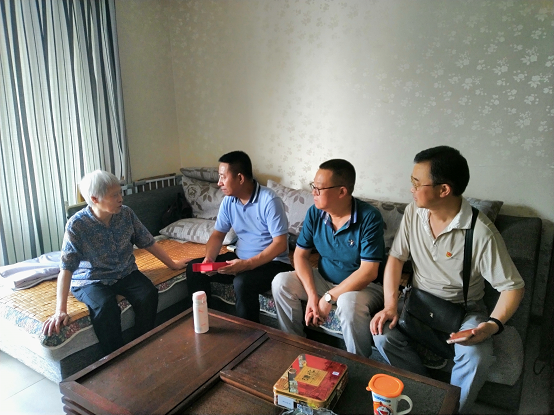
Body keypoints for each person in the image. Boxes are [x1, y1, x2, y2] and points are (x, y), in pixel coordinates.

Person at [370, 146, 525, 414]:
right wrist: (390, 305)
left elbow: (513, 287)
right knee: (382, 333)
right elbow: (396, 258)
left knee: (476, 356)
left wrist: (491, 326)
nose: (411, 189)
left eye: (417, 183)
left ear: (443, 190)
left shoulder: (480, 232)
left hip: (463, 310)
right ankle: (424, 392)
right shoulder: (414, 212)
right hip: (418, 301)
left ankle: (450, 409)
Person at [42, 170, 189, 355]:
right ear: (94, 199)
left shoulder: (126, 214)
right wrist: (60, 310)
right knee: (105, 306)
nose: (121, 198)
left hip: (125, 272)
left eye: (120, 193)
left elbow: (148, 242)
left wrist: (173, 264)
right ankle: (116, 357)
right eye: (114, 195)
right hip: (91, 279)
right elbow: (66, 267)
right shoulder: (77, 225)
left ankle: (142, 345)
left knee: (148, 293)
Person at [272, 159, 385, 358]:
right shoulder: (315, 213)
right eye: (313, 186)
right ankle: (295, 348)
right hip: (324, 279)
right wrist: (312, 295)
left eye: (319, 188)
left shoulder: (369, 217)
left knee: (347, 302)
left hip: (364, 288)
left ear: (342, 191)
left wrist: (329, 297)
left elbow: (368, 272)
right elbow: (300, 255)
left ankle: (359, 363)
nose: (313, 192)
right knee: (281, 282)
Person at [186, 151, 293, 322]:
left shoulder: (269, 200)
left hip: (272, 263)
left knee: (242, 282)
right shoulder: (229, 201)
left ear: (240, 178)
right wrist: (209, 259)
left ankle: (250, 333)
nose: (219, 183)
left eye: (223, 177)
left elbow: (280, 244)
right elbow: (217, 235)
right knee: (195, 269)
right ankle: (206, 320)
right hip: (240, 258)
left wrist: (247, 265)